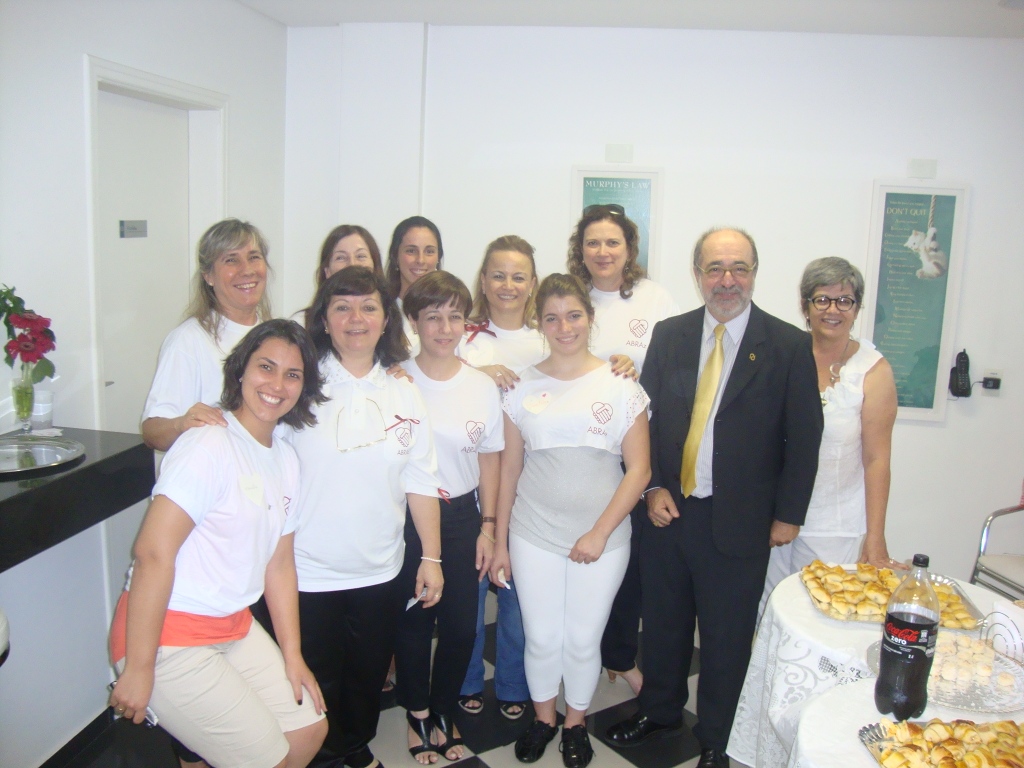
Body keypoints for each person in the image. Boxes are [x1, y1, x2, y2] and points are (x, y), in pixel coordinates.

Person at [606, 228, 823, 768]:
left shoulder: (789, 345)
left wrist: (788, 517)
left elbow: (804, 437)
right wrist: (652, 486)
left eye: (739, 268)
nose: (727, 280)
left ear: (754, 272)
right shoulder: (670, 334)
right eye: (715, 268)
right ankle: (658, 711)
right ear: (698, 273)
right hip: (668, 513)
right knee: (663, 625)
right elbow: (647, 422)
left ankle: (718, 739)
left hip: (741, 521)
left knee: (727, 641)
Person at [109, 319, 328, 768]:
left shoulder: (284, 458)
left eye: (292, 374)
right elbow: (153, 553)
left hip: (232, 625)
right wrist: (139, 667)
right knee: (269, 759)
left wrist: (293, 655)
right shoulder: (207, 443)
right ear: (241, 371)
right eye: (266, 367)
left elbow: (280, 564)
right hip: (169, 634)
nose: (276, 384)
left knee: (308, 729)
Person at [493, 274, 651, 768]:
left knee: (583, 638)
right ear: (539, 322)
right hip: (532, 531)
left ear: (590, 317)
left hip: (604, 537)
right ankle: (544, 719)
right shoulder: (520, 385)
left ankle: (576, 722)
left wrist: (599, 532)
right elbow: (509, 467)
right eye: (553, 317)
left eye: (574, 315)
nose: (564, 326)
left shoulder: (621, 382)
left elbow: (640, 468)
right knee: (542, 636)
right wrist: (499, 541)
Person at [288, 266, 443, 768]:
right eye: (342, 307)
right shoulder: (299, 387)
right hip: (307, 571)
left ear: (385, 320)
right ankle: (318, 756)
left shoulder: (403, 391)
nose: (356, 318)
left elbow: (420, 480)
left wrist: (433, 558)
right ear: (325, 320)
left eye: (369, 307)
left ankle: (353, 747)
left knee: (367, 674)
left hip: (381, 568)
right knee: (315, 676)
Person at [567, 204, 680, 696]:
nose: (603, 251)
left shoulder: (655, 299)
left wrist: (639, 372)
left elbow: (678, 374)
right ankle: (567, 655)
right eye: (593, 242)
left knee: (626, 564)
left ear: (630, 249)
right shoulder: (569, 295)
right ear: (581, 249)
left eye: (613, 242)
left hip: (633, 452)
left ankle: (616, 656)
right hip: (578, 450)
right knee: (571, 554)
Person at [396, 271, 504, 763]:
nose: (444, 327)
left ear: (466, 321)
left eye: (454, 316)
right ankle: (417, 712)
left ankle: (444, 709)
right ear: (414, 321)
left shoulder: (481, 385)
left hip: (463, 515)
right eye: (432, 316)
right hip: (409, 519)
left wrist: (488, 528)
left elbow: (490, 460)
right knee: (416, 623)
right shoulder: (395, 379)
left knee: (463, 627)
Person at [759, 256, 902, 612]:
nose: (832, 310)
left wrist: (876, 537)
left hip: (833, 528)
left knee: (821, 618)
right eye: (821, 299)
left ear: (857, 308)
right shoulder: (783, 356)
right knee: (767, 616)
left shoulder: (873, 371)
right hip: (774, 522)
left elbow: (877, 460)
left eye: (845, 300)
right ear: (805, 306)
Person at [456, 235, 542, 721]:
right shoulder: (464, 339)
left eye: (518, 276)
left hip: (530, 490)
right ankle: (466, 679)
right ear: (483, 281)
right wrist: (475, 374)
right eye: (497, 275)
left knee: (516, 596)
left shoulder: (546, 338)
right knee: (469, 596)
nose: (507, 285)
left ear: (532, 283)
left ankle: (513, 683)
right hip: (473, 487)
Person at [142, 218, 271, 451]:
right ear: (208, 276)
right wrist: (182, 423)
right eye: (231, 260)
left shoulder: (275, 337)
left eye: (254, 257)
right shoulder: (188, 341)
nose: (247, 270)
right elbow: (152, 433)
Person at [385, 216, 444, 357]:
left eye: (429, 251)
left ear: (438, 257)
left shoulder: (452, 311)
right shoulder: (381, 312)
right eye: (411, 251)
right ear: (395, 256)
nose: (420, 260)